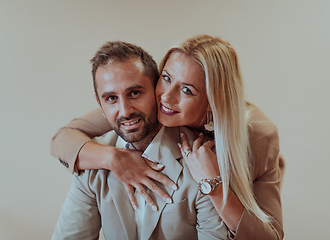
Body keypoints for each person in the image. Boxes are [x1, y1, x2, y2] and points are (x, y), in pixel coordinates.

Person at [51, 35, 284, 239]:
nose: (165, 97)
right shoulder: (142, 105)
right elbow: (62, 139)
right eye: (166, 78)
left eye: (187, 90)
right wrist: (114, 159)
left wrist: (213, 186)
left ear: (213, 102)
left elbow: (269, 237)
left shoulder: (258, 137)